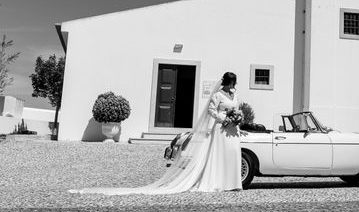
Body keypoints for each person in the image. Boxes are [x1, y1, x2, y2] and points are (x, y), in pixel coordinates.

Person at [69, 71, 243, 195]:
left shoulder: (235, 95)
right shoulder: (218, 95)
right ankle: (219, 182)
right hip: (221, 130)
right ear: (225, 82)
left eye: (234, 83)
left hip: (233, 131)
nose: (233, 86)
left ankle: (233, 183)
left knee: (233, 154)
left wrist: (238, 117)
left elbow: (237, 108)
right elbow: (211, 111)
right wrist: (223, 118)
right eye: (231, 83)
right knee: (220, 155)